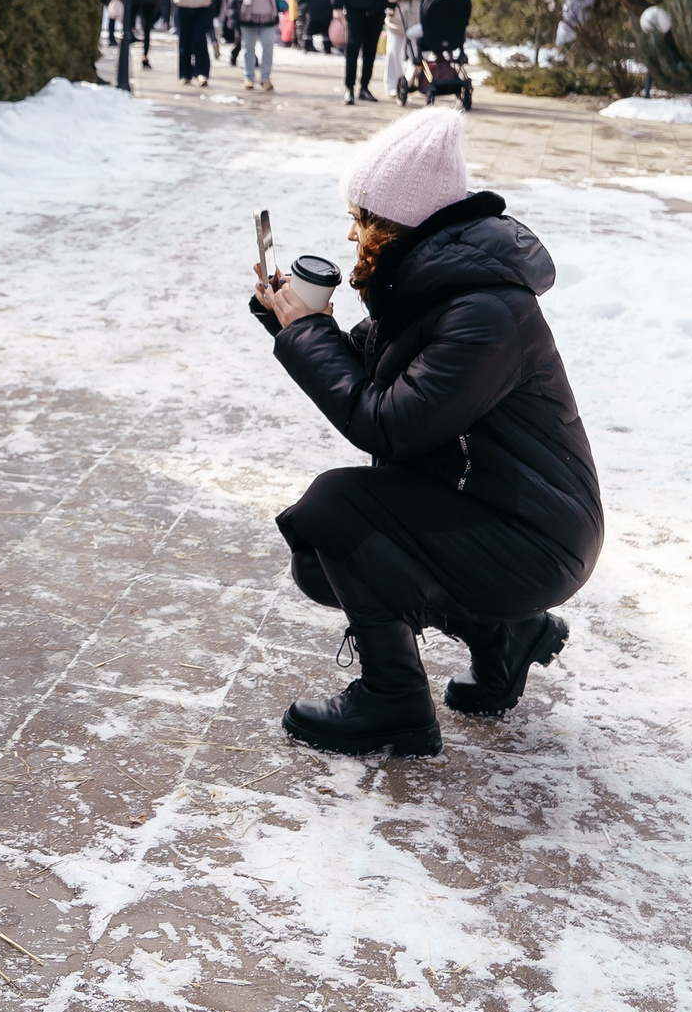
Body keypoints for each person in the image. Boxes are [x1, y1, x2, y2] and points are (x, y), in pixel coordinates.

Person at [250, 108, 601, 756]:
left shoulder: (484, 312)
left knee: (336, 507)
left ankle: (395, 702)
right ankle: (505, 635)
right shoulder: (430, 286)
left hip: (538, 538)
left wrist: (307, 334)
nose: (350, 233)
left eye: (360, 219)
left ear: (396, 224)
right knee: (322, 556)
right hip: (490, 510)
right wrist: (291, 321)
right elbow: (367, 371)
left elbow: (389, 424)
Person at [384, 0, 429, 99]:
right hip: (397, 18)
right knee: (394, 52)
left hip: (416, 18)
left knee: (417, 53)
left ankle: (409, 82)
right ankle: (393, 85)